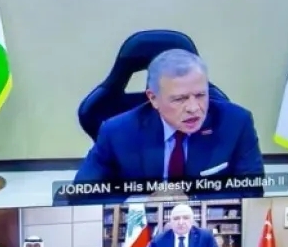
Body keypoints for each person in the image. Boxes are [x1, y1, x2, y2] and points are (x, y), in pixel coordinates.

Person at [73, 49, 265, 189]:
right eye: (180, 99)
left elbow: (252, 190)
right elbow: (82, 193)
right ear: (153, 98)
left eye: (200, 95)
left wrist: (191, 201)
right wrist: (143, 203)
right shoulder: (116, 132)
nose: (193, 108)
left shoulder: (237, 123)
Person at [134, 204, 225, 247]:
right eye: (176, 218)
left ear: (192, 220)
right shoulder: (158, 241)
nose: (181, 222)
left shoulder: (206, 237)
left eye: (186, 218)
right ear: (170, 221)